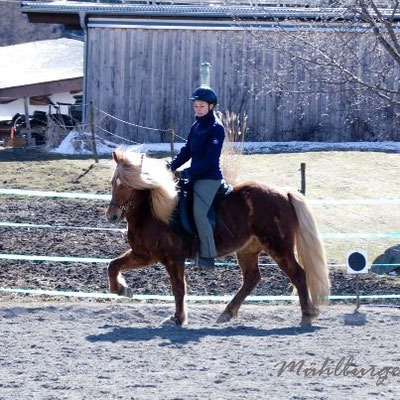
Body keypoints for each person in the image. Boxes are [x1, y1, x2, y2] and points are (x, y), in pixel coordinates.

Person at [169, 86, 225, 270]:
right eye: (196, 106)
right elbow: (186, 151)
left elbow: (210, 160)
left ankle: (208, 256)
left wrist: (187, 173)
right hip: (194, 175)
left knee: (200, 214)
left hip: (209, 178)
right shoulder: (196, 126)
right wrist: (172, 165)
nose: (198, 109)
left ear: (211, 106)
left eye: (201, 106)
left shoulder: (216, 129)